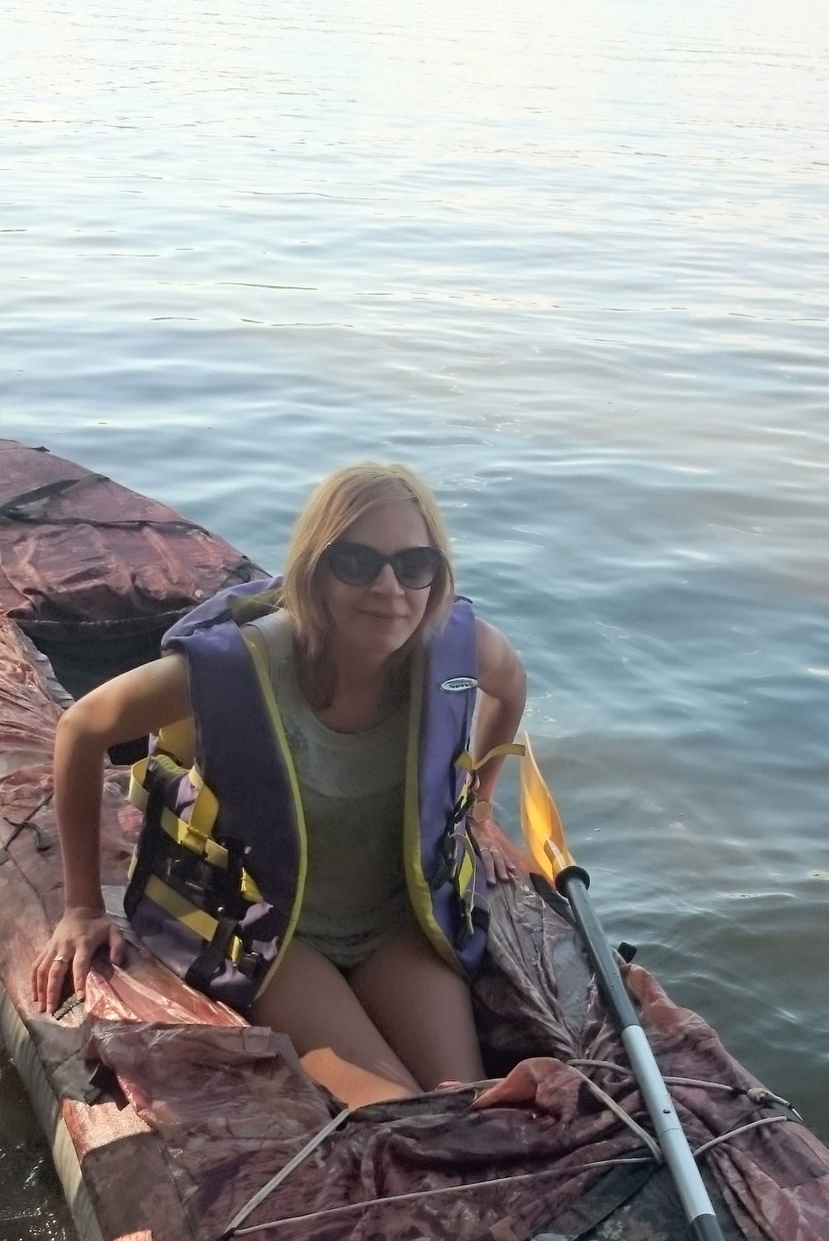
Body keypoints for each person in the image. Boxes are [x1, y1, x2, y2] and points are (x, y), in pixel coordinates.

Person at [31, 462, 528, 1107]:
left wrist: (479, 806)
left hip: (397, 921)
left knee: (471, 1097)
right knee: (393, 1108)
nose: (389, 588)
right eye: (356, 562)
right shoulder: (240, 669)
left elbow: (511, 688)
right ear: (314, 570)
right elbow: (82, 727)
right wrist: (81, 908)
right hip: (275, 931)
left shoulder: (457, 651)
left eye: (414, 564)